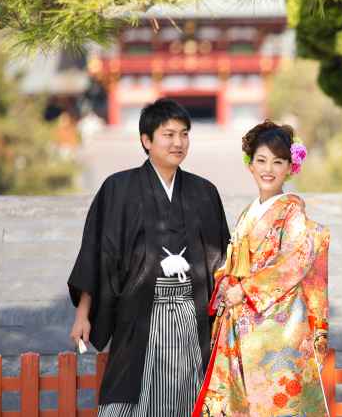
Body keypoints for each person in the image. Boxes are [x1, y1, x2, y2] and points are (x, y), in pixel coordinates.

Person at [68, 98, 231, 417]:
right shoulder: (118, 188)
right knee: (126, 400)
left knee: (189, 398)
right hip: (139, 314)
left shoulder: (204, 191)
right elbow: (98, 253)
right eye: (168, 134)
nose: (179, 142)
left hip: (191, 315)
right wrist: (83, 314)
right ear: (146, 139)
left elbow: (221, 259)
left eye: (184, 134)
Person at [193, 120, 330, 417]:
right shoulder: (248, 212)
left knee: (274, 403)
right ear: (250, 164)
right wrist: (228, 283)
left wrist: (245, 289)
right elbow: (234, 262)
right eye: (261, 160)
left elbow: (294, 260)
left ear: (290, 167)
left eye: (278, 161)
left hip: (277, 325)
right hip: (242, 318)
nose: (268, 169)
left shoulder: (292, 207)